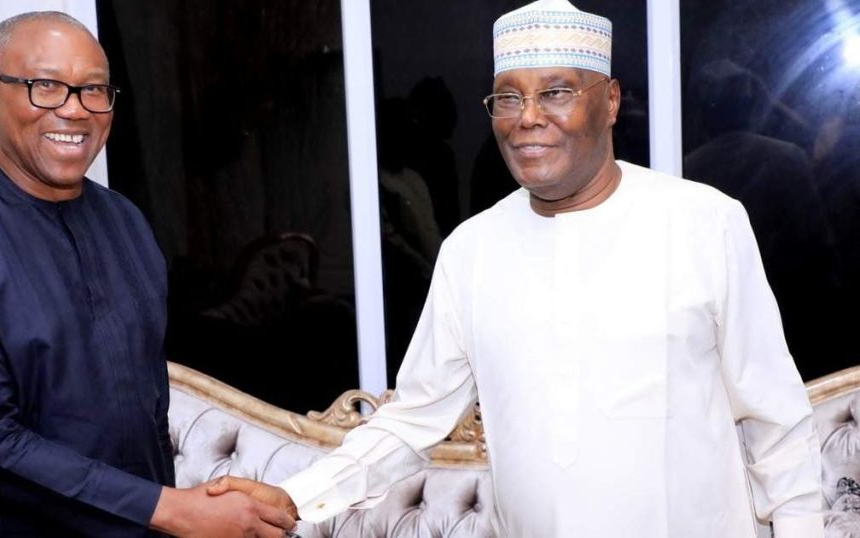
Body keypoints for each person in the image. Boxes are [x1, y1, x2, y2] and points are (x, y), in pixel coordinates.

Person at [209, 1, 825, 537]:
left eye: (556, 92)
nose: (528, 117)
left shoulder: (704, 223)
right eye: (509, 96)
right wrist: (298, 495)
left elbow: (777, 422)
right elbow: (413, 420)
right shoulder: (472, 250)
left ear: (609, 101)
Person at [0, 11, 296, 538]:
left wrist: (211, 500)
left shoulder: (125, 221)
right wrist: (172, 509)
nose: (75, 111)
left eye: (94, 90)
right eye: (45, 86)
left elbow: (142, 409)